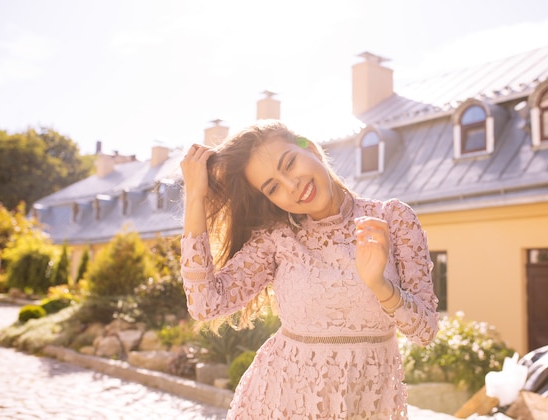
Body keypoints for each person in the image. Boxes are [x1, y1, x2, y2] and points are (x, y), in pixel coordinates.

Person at [180, 119, 439, 419]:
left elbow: (426, 331)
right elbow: (204, 304)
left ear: (311, 149)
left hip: (367, 406)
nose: (293, 186)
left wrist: (380, 285)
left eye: (289, 163)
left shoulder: (393, 219)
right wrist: (195, 198)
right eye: (273, 187)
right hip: (279, 404)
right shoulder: (277, 238)